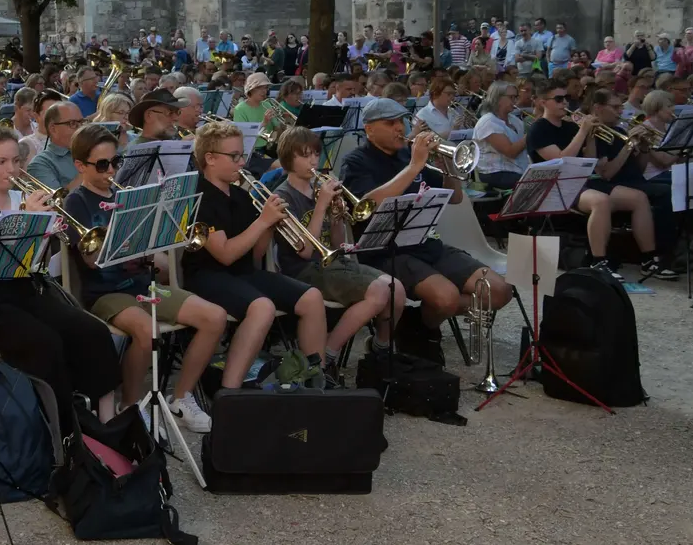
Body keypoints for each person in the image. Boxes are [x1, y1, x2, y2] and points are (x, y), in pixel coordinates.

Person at [0, 127, 123, 432]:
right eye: (1, 162)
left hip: (26, 289)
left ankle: (105, 421)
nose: (11, 169)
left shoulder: (23, 196)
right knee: (45, 342)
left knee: (93, 331)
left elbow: (38, 264)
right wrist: (28, 222)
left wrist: (48, 236)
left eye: (16, 161)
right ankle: (61, 425)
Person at [64, 125, 222, 431]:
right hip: (105, 293)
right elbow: (93, 262)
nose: (111, 170)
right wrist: (130, 243)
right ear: (80, 166)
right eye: (102, 164)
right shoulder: (77, 203)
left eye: (116, 162)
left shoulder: (132, 196)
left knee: (214, 317)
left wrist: (161, 237)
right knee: (147, 331)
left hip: (143, 284)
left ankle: (181, 397)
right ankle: (132, 403)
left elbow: (158, 263)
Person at [339, 99, 511, 363]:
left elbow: (454, 198)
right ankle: (424, 328)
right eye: (391, 123)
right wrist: (413, 167)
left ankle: (416, 322)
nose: (400, 128)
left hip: (425, 242)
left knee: (498, 292)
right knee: (446, 298)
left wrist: (450, 167)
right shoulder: (356, 161)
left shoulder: (409, 156)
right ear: (369, 129)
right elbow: (367, 205)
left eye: (402, 121)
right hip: (384, 251)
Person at [183, 121, 330, 388]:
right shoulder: (198, 197)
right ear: (211, 159)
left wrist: (271, 225)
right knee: (263, 308)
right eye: (235, 156)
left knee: (311, 297)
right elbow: (225, 255)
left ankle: (314, 377)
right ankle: (231, 389)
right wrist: (262, 222)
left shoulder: (241, 194)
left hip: (243, 273)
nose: (242, 162)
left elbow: (256, 254)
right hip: (206, 276)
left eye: (243, 155)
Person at [273, 128, 405, 381]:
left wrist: (336, 217)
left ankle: (380, 348)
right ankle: (328, 354)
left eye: (316, 154)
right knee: (380, 292)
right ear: (289, 159)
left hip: (334, 263)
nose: (313, 161)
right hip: (304, 271)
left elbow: (337, 243)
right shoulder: (282, 197)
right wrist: (322, 205)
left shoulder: (318, 189)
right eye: (304, 155)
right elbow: (305, 251)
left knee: (396, 289)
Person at [526, 82, 674, 281]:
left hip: (581, 180)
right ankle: (598, 262)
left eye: (566, 98)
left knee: (638, 198)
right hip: (557, 184)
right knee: (600, 201)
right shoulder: (538, 129)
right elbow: (562, 161)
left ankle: (648, 260)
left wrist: (591, 137)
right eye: (559, 99)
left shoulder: (570, 125)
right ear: (544, 103)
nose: (564, 103)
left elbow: (590, 159)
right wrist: (582, 131)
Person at [473, 81, 530, 189]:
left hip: (516, 169)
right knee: (531, 185)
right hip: (495, 172)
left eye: (515, 97)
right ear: (497, 98)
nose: (514, 101)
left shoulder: (515, 120)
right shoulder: (488, 121)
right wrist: (532, 133)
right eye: (511, 97)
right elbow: (510, 152)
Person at [25, 101, 84, 191]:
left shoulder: (88, 151)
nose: (81, 128)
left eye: (82, 122)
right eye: (73, 123)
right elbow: (57, 203)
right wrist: (90, 169)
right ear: (53, 129)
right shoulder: (40, 164)